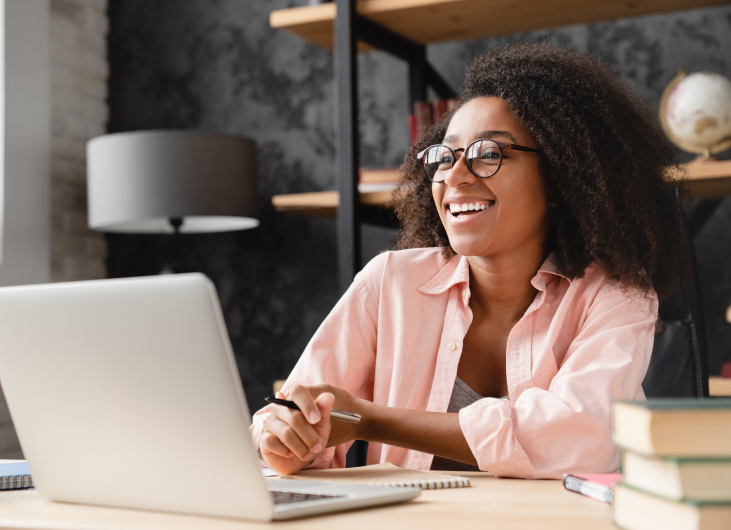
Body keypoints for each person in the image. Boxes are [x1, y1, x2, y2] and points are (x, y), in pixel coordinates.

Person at [250, 42, 687, 479]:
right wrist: (288, 439)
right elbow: (292, 416)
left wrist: (372, 419)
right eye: (445, 155)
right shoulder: (389, 283)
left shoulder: (615, 295)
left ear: (559, 178)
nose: (455, 177)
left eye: (488, 154)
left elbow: (582, 438)